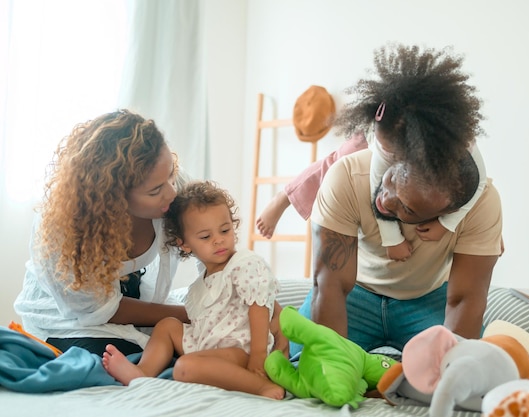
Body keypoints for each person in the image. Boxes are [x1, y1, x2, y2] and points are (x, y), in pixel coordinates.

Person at [13, 110, 286, 357]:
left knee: (199, 343)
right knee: (118, 356)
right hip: (72, 316)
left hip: (134, 297)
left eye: (170, 176)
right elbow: (100, 311)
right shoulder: (66, 235)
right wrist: (194, 314)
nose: (172, 192)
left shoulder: (172, 190)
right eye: (155, 190)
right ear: (113, 199)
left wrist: (260, 299)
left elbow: (216, 245)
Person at [291, 43, 503, 357]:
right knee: (301, 356)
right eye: (391, 177)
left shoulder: (478, 201)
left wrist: (453, 370)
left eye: (409, 207)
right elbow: (330, 285)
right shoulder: (349, 177)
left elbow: (465, 300)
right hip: (355, 293)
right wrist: (332, 364)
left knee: (472, 362)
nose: (386, 203)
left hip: (427, 298)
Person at [102, 180, 285, 400]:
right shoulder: (200, 285)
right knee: (168, 325)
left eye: (225, 230)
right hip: (207, 344)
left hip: (240, 349)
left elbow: (260, 307)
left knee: (184, 367)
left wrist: (258, 356)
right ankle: (143, 372)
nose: (218, 240)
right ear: (185, 244)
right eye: (206, 237)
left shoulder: (244, 263)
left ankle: (261, 387)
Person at [256, 93, 488, 262]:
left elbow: (479, 184)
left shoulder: (462, 145)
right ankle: (284, 197)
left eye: (388, 151)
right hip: (373, 138)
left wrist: (449, 224)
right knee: (337, 161)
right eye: (383, 150)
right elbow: (380, 194)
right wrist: (392, 239)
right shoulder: (380, 144)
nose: (381, 153)